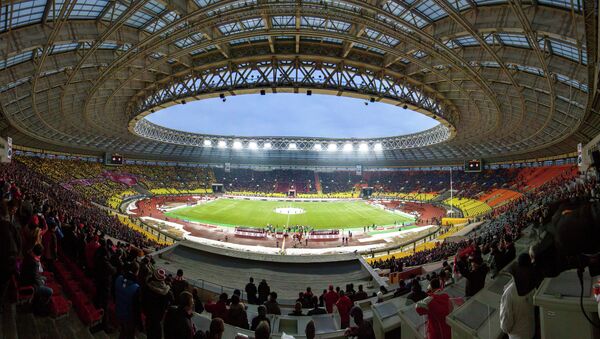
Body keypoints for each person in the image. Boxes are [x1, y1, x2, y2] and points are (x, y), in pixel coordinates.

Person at [499, 253, 537, 339]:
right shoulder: (533, 283)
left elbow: (506, 326)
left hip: (517, 336)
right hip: (531, 331)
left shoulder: (509, 293)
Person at [20, 244, 53, 315]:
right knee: (50, 291)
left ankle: (36, 302)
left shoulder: (27, 256)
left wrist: (41, 279)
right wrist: (41, 282)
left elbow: (34, 275)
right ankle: (40, 306)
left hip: (25, 278)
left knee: (44, 278)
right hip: (29, 283)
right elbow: (35, 278)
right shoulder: (34, 263)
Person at [143, 268, 174, 339]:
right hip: (158, 319)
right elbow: (171, 301)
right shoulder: (166, 292)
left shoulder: (147, 287)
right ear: (162, 279)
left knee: (149, 334)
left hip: (148, 317)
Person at [114, 262, 141, 339]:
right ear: (137, 271)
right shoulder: (136, 288)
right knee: (130, 334)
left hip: (119, 311)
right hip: (129, 317)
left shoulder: (118, 278)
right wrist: (139, 324)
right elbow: (136, 309)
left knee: (123, 330)